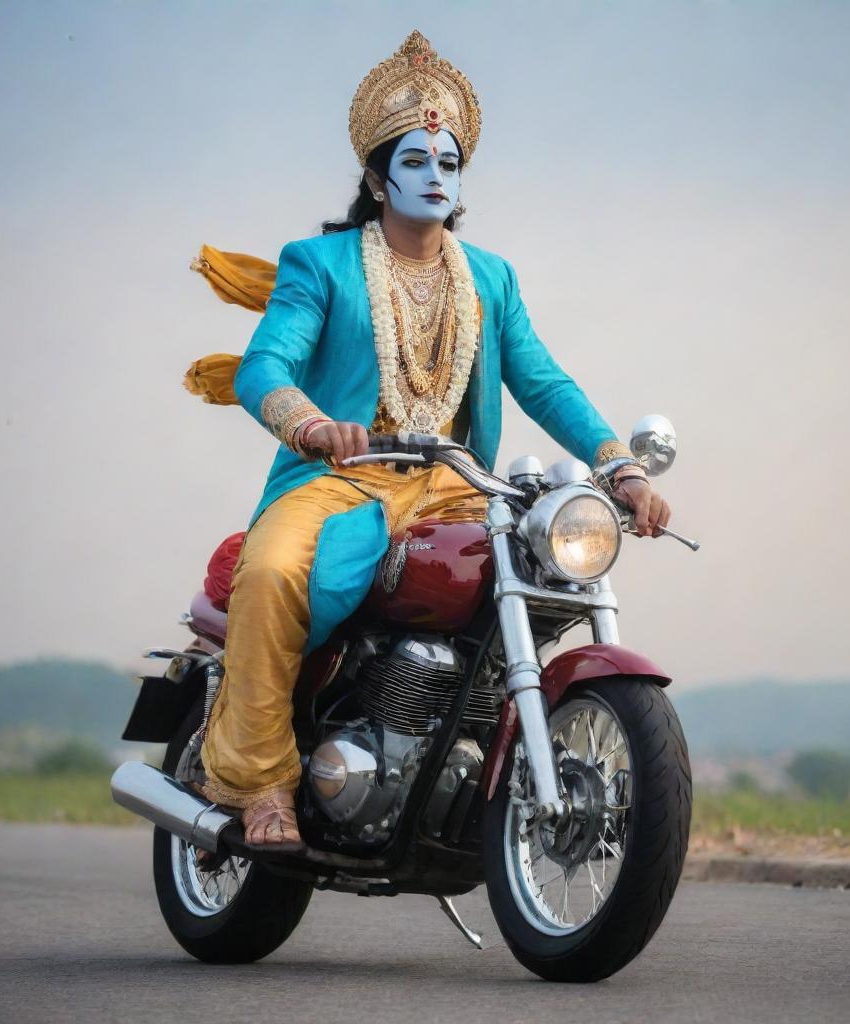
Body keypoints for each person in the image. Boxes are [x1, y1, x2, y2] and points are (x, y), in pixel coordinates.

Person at [194, 30, 671, 849]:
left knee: (537, 571)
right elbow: (262, 368)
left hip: (456, 485)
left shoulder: (490, 277)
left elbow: (544, 381)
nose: (434, 178)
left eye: (447, 164)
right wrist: (310, 424)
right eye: (415, 162)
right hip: (337, 477)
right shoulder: (320, 262)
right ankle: (262, 780)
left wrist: (618, 469)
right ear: (378, 177)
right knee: (272, 571)